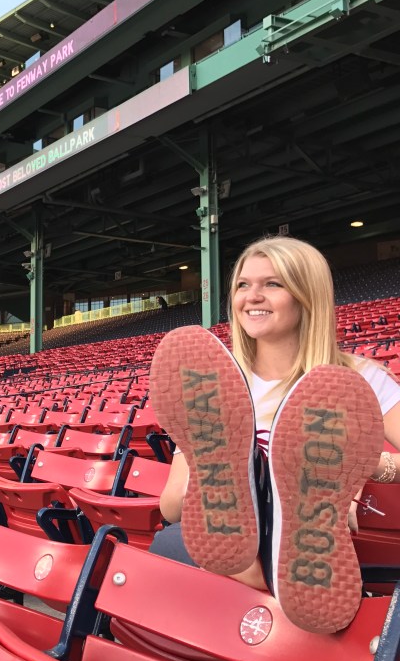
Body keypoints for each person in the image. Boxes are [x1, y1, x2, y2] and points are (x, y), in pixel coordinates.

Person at [149, 235, 400, 634]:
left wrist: (365, 466)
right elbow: (171, 506)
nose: (252, 296)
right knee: (174, 537)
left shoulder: (357, 380)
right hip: (223, 547)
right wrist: (208, 471)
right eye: (243, 285)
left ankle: (278, 552)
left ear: (306, 295)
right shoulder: (213, 385)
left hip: (312, 555)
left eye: (273, 284)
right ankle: (255, 544)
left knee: (172, 545)